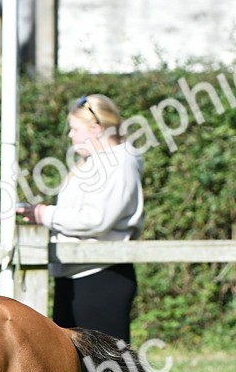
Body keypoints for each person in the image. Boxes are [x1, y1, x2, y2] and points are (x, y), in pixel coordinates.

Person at [17, 94, 144, 343]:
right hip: (76, 273)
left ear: (95, 129)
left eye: (75, 129)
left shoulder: (120, 163)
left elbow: (97, 220)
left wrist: (45, 214)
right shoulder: (92, 162)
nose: (70, 135)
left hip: (101, 276)